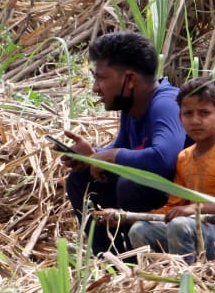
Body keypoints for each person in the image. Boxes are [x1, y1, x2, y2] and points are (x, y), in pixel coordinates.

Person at [63, 31, 187, 256]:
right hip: (155, 200)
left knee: (131, 183)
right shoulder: (132, 109)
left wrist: (110, 156)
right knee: (80, 180)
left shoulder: (165, 105)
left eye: (101, 78)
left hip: (183, 209)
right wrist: (92, 155)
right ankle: (109, 261)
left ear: (129, 80)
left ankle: (143, 258)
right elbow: (126, 151)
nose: (95, 88)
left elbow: (163, 159)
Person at [128, 78, 215, 262]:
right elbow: (174, 207)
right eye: (188, 114)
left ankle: (188, 279)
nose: (195, 120)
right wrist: (127, 216)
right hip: (197, 229)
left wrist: (195, 209)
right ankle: (164, 279)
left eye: (204, 113)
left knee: (181, 226)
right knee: (140, 230)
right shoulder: (184, 158)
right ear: (180, 117)